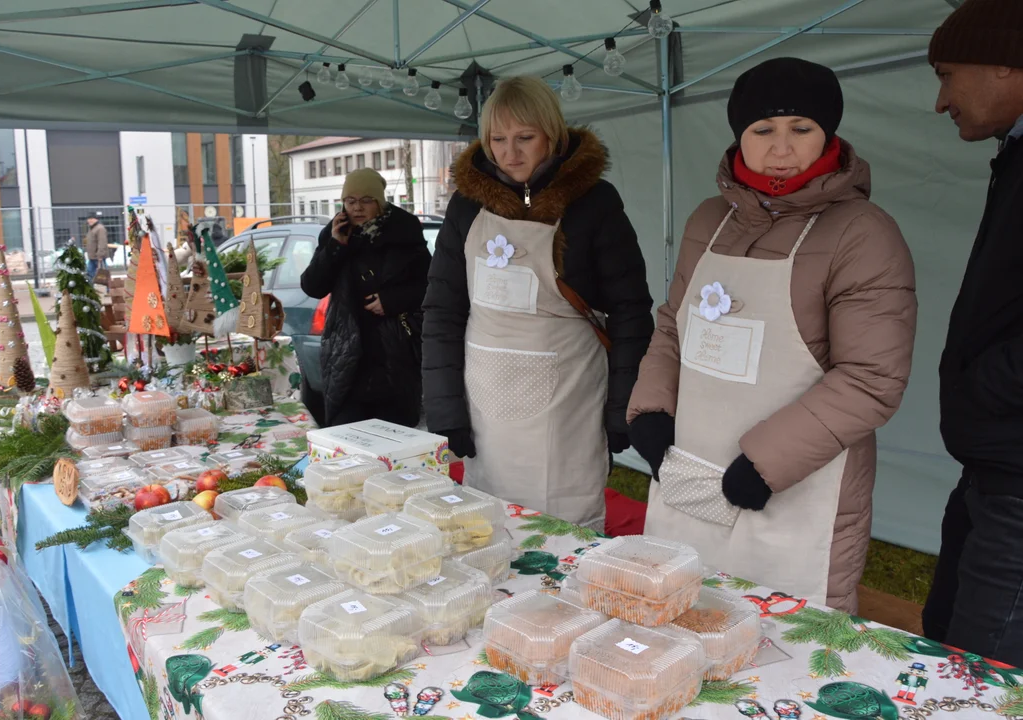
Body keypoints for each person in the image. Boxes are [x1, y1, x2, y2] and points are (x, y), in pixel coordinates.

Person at [626, 57, 917, 612]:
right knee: (678, 618)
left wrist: (766, 464)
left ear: (828, 133)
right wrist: (651, 409)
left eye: (801, 129)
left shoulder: (863, 233)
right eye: (763, 130)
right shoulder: (707, 220)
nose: (781, 147)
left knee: (779, 644)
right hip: (690, 470)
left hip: (794, 486)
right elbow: (674, 324)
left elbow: (872, 377)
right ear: (739, 137)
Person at [422, 76, 654, 531]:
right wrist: (446, 410)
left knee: (564, 524)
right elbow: (442, 310)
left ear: (553, 134)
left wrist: (623, 407)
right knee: (488, 523)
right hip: (485, 400)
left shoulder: (594, 203)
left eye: (525, 138)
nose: (511, 153)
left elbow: (630, 311)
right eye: (498, 140)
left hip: (570, 400)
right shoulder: (467, 206)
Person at [923, 0, 1023, 665]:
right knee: (944, 636)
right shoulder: (1014, 154)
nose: (940, 101)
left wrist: (987, 383)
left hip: (1015, 464)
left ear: (1005, 64)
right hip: (992, 462)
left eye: (947, 74)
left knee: (983, 674)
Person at [300, 168, 431, 427]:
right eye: (350, 201)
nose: (357, 208)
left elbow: (430, 284)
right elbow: (313, 286)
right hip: (347, 352)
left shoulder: (404, 232)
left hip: (395, 352)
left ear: (380, 202)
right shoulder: (335, 232)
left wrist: (393, 300)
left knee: (396, 436)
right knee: (346, 436)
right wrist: (335, 246)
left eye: (366, 200)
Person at [83, 215, 108, 280]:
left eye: (92, 218)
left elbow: (102, 242)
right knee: (89, 274)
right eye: (88, 219)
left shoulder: (100, 228)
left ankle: (107, 289)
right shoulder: (91, 229)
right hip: (92, 257)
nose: (90, 220)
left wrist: (100, 255)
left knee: (103, 275)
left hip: (98, 257)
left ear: (96, 219)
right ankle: (91, 289)